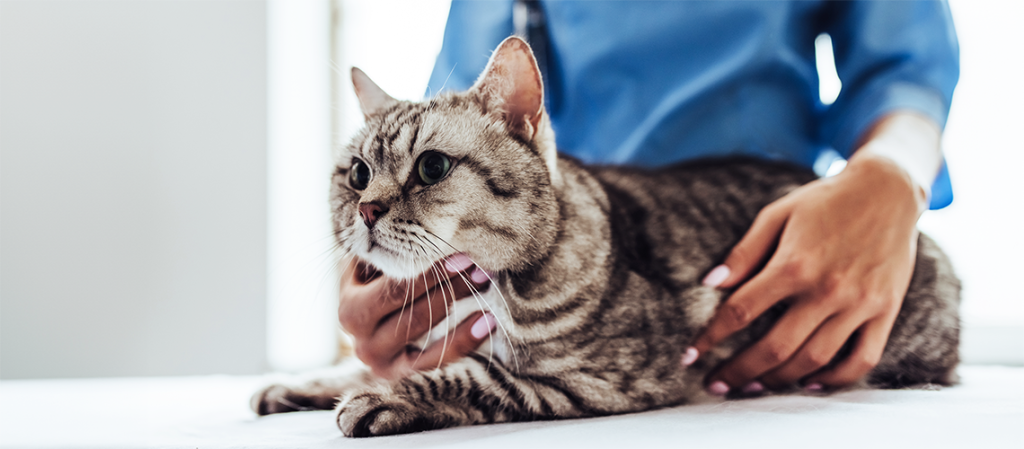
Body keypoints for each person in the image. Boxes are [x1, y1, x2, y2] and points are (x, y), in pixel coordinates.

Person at [336, 0, 959, 395]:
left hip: (776, 250)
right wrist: (387, 274)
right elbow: (452, 122)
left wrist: (894, 175)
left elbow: (904, 66)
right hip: (553, 240)